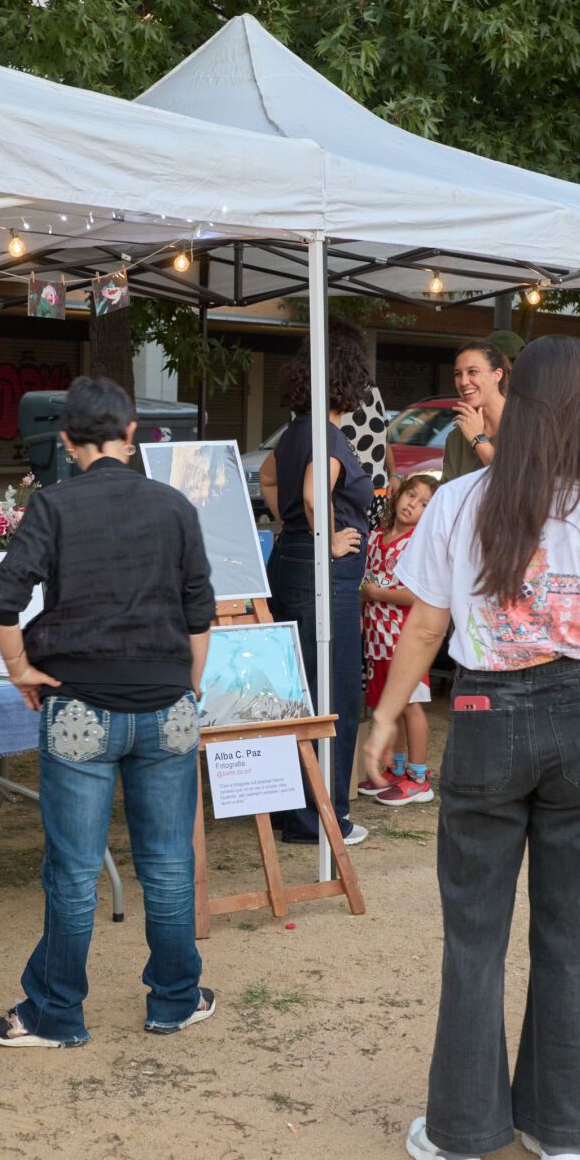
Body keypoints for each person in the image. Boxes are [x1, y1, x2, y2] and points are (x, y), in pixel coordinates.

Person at [365, 335, 580, 1160]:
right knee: (576, 931)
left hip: (483, 710)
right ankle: (562, 1127)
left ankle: (462, 1133)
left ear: (518, 398)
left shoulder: (460, 498)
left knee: (476, 932)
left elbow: (427, 627)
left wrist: (386, 718)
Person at [0, 377, 216, 1048]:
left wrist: (20, 668)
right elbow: (201, 611)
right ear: (133, 432)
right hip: (167, 704)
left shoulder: (51, 506)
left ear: (65, 439)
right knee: (168, 864)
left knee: (74, 869)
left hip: (78, 705)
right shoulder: (173, 507)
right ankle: (174, 999)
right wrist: (185, 686)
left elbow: (2, 600)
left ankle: (55, 1012)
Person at [258, 321, 374, 846]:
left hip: (289, 562)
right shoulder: (327, 435)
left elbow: (267, 477)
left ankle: (293, 811)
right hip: (321, 575)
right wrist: (325, 538)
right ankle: (323, 819)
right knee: (334, 694)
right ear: (350, 380)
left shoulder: (294, 431)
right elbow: (311, 492)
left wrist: (293, 526)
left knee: (294, 691)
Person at [358, 473, 437, 807]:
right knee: (391, 704)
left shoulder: (419, 544)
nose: (412, 505)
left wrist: (376, 593)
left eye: (423, 504)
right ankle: (398, 767)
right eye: (410, 495)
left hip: (407, 640)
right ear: (398, 493)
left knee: (411, 705)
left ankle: (419, 777)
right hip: (377, 637)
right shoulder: (376, 536)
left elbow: (419, 595)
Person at [439, 338, 510, 484]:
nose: (463, 382)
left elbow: (512, 480)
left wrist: (478, 438)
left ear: (497, 375)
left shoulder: (528, 424)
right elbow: (450, 492)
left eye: (473, 371)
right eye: (458, 374)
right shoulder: (456, 437)